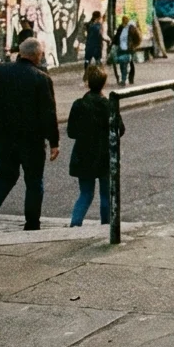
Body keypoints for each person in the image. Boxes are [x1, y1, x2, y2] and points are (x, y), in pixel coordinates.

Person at [0, 37, 61, 234]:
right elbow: (48, 114)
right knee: (34, 182)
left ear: (20, 53)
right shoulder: (41, 78)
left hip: (5, 138)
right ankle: (32, 225)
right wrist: (54, 142)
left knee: (6, 177)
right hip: (32, 141)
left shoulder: (0, 71)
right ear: (37, 55)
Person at [67, 65, 124, 226]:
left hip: (83, 154)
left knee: (85, 193)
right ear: (104, 84)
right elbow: (120, 129)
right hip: (105, 154)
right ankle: (106, 226)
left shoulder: (78, 104)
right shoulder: (109, 105)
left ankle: (75, 224)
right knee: (105, 194)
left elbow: (71, 132)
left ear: (87, 82)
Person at [113, 16, 139, 86]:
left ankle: (127, 79)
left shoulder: (131, 29)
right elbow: (117, 37)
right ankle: (124, 79)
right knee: (122, 64)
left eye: (125, 21)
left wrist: (133, 46)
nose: (124, 23)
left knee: (127, 64)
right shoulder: (121, 28)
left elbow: (137, 38)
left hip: (128, 49)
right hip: (121, 48)